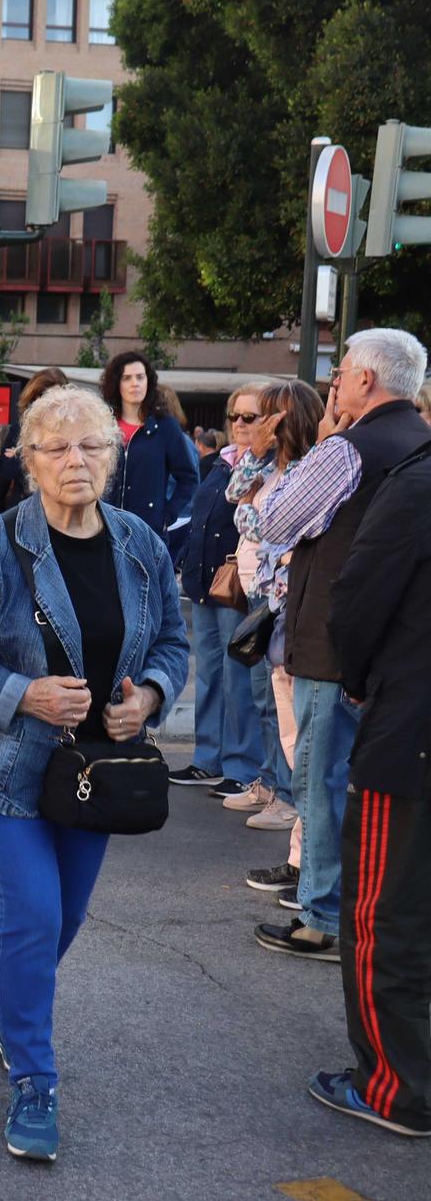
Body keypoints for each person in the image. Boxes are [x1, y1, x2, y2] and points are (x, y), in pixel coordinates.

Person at [0, 384, 189, 1164]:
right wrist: (21, 693)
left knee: (65, 917)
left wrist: (154, 694)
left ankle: (7, 1007)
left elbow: (171, 640)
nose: (76, 461)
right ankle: (35, 1078)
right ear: (29, 460)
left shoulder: (139, 543)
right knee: (34, 914)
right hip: (7, 767)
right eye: (57, 447)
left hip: (96, 771)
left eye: (92, 446)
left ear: (114, 456)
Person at [254, 328, 431, 964]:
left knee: (319, 783)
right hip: (399, 653)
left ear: (363, 380)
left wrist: (324, 441)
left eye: (345, 369)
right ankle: (362, 909)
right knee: (375, 794)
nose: (338, 382)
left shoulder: (345, 450)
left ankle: (322, 916)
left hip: (332, 645)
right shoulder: (422, 443)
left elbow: (270, 521)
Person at [315, 423, 431, 1138]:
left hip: (411, 732)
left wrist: (361, 681)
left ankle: (395, 1087)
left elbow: (356, 601)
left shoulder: (417, 485)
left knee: (383, 918)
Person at [230, 380, 326, 899]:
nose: (253, 427)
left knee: (305, 754)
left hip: (298, 620)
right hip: (276, 617)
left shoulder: (316, 469)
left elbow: (262, 523)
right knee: (298, 750)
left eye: (265, 417)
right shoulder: (274, 467)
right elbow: (236, 498)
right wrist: (257, 458)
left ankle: (309, 869)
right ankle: (299, 861)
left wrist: (252, 502)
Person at [172, 388, 273, 794]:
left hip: (239, 585)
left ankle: (241, 765)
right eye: (235, 416)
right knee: (211, 674)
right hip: (205, 582)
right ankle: (207, 759)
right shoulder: (219, 462)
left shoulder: (269, 464)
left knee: (238, 678)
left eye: (250, 417)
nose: (240, 424)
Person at [100, 351, 198, 558]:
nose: (135, 383)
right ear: (116, 383)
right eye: (127, 378)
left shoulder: (165, 427)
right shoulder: (102, 425)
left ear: (149, 381)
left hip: (148, 531)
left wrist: (166, 515)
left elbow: (188, 478)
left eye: (140, 377)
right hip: (104, 526)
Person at [0, 369, 69, 516]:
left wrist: (21, 454)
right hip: (22, 510)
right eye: (44, 396)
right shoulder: (21, 429)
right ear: (34, 398)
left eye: (58, 398)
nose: (51, 404)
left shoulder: (72, 432)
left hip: (58, 511)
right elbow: (5, 472)